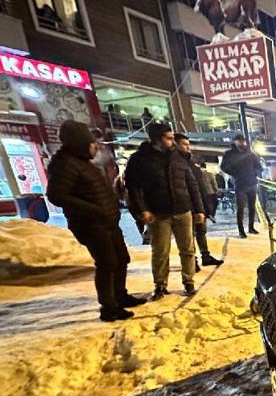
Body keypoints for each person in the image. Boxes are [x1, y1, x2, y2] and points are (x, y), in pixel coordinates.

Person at [46, 120, 146, 322]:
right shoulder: (65, 164)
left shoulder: (83, 163)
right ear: (81, 143)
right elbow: (57, 195)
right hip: (90, 224)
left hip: (107, 221)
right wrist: (94, 210)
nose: (96, 148)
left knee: (121, 259)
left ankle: (120, 295)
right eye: (93, 144)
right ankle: (108, 307)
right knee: (107, 263)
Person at [125, 123, 204, 300]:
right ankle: (160, 285)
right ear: (156, 140)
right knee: (160, 251)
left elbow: (192, 184)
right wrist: (143, 210)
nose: (172, 141)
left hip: (183, 209)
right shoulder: (140, 160)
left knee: (188, 249)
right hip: (158, 212)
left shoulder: (179, 157)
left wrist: (199, 209)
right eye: (168, 138)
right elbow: (134, 188)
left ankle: (189, 281)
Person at [174, 134, 224, 268]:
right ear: (176, 144)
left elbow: (199, 188)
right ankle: (192, 261)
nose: (188, 147)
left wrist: (203, 208)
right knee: (188, 235)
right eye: (184, 144)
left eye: (188, 144)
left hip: (197, 204)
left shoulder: (191, 164)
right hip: (184, 205)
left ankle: (205, 256)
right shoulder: (175, 163)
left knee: (201, 231)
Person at [220, 133, 262, 238]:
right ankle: (241, 230)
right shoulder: (229, 154)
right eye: (239, 141)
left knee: (252, 207)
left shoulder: (250, 153)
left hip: (251, 182)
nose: (241, 143)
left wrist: (255, 173)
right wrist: (234, 173)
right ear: (235, 142)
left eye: (243, 141)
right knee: (241, 208)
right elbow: (223, 167)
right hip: (240, 184)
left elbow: (259, 166)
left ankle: (251, 227)